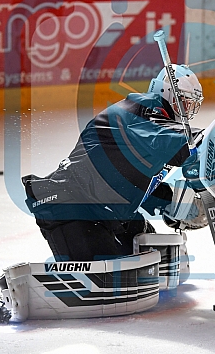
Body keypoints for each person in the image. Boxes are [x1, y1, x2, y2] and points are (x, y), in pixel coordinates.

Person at [22, 64, 204, 262]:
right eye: (184, 103)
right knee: (106, 283)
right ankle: (17, 285)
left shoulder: (154, 124)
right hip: (73, 206)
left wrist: (175, 202)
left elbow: (133, 178)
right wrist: (206, 141)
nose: (186, 111)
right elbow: (179, 143)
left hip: (107, 210)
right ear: (165, 93)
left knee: (161, 263)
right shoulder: (143, 111)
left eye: (191, 105)